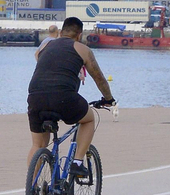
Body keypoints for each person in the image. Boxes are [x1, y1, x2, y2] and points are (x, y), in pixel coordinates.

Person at [27, 16, 115, 174]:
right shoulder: (82, 49)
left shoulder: (45, 46)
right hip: (63, 97)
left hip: (35, 97)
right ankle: (77, 162)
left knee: (38, 145)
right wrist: (109, 99)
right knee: (88, 119)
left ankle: (32, 185)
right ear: (79, 35)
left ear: (61, 32)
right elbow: (100, 79)